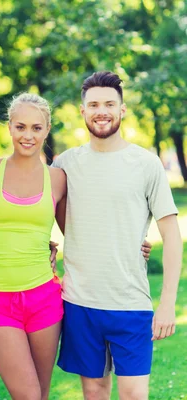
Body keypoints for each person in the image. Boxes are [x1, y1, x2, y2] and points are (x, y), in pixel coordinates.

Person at [53, 71, 182, 400]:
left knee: (133, 395)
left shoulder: (146, 164)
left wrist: (167, 303)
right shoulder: (65, 164)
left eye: (110, 104)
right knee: (94, 392)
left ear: (122, 110)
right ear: (82, 111)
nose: (102, 111)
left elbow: (170, 233)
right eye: (93, 104)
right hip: (80, 302)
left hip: (131, 303)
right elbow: (38, 213)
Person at [0, 93, 65, 400]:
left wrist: (136, 244)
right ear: (9, 127)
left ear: (47, 129)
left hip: (44, 297)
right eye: (20, 127)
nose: (28, 136)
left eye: (37, 128)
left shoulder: (57, 179)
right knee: (27, 394)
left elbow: (78, 235)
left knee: (40, 393)